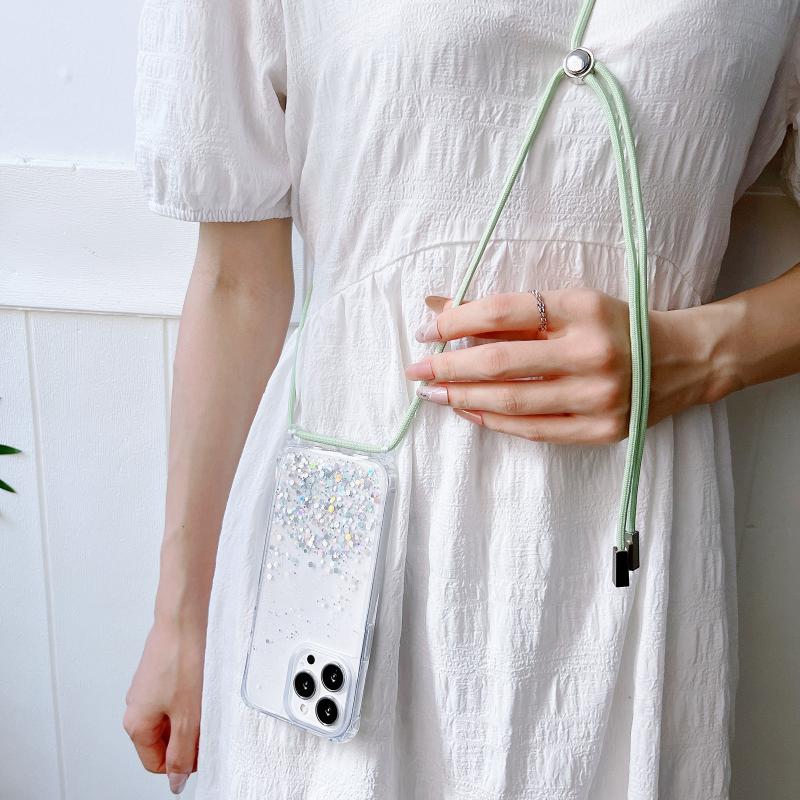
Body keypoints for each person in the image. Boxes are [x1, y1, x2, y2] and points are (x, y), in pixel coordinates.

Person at [123, 0, 800, 797]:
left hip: (627, 558)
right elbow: (236, 283)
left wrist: (700, 353)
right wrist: (181, 616)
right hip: (343, 555)